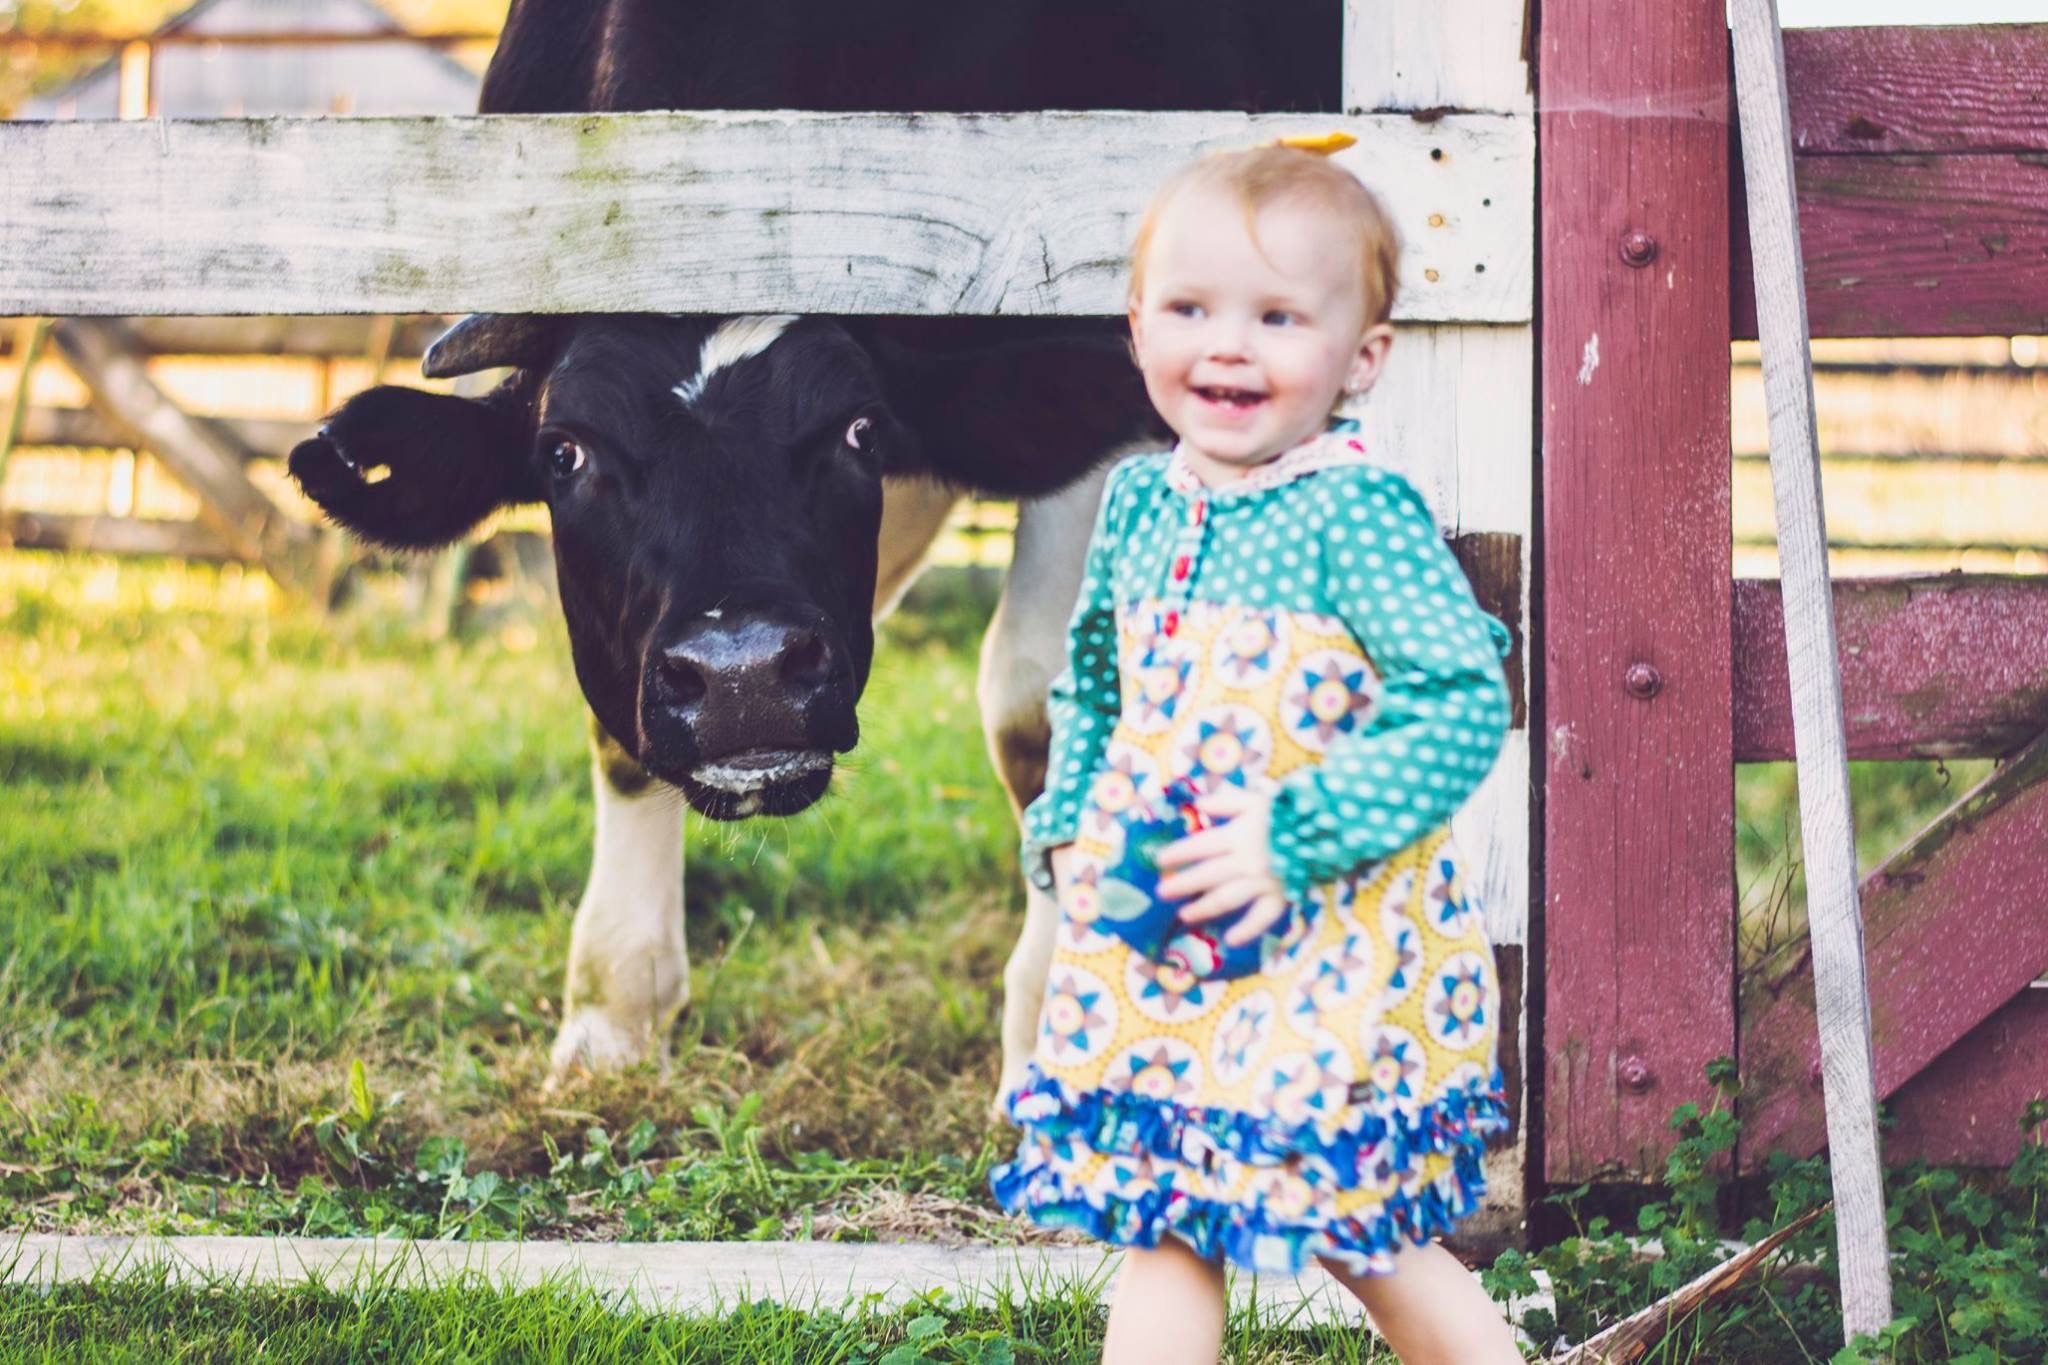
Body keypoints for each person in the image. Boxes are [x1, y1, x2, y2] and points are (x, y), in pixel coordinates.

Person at [991, 138, 1525, 1364]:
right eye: (1190, 308)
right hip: (1166, 951)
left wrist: (1297, 834)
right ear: (1136, 330)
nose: (1227, 345)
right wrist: (1067, 826)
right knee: (1164, 1224)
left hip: (1324, 954)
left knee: (1360, 1234)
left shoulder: (1353, 516)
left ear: (1359, 358)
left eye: (1278, 316)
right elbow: (1091, 681)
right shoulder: (1135, 506)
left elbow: (1452, 699)